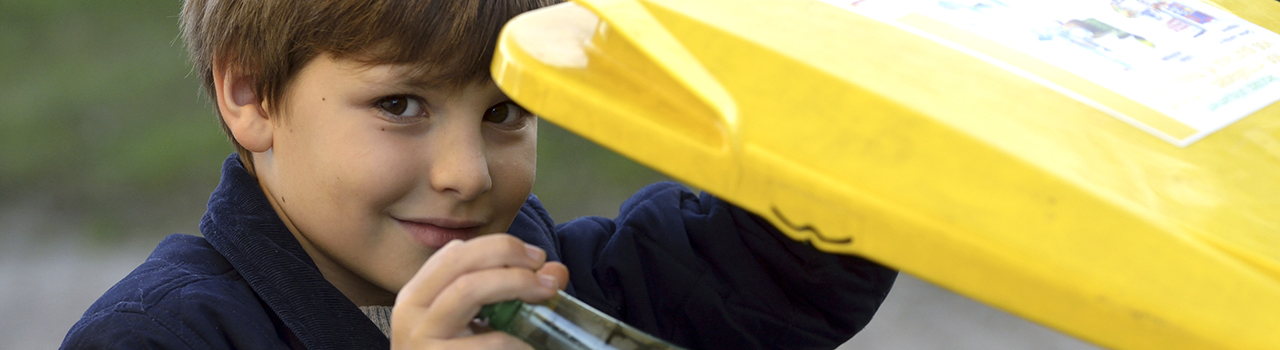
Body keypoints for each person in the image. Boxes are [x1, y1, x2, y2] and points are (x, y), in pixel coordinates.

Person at [60, 0, 897, 349]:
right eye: (400, 106)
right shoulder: (159, 337)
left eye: (505, 113)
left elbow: (788, 266)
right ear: (249, 92)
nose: (466, 174)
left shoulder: (567, 294)